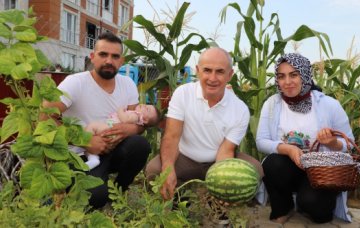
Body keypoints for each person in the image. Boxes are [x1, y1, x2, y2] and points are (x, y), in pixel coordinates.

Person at [145, 47, 263, 219]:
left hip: (217, 160)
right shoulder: (183, 94)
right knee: (155, 170)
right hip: (184, 157)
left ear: (230, 75)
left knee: (256, 170)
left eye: (220, 72)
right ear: (198, 71)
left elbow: (226, 151)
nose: (213, 78)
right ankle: (180, 204)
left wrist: (223, 184)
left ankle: (219, 209)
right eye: (207, 70)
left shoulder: (240, 109)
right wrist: (168, 169)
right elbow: (171, 136)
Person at [42, 32, 151, 208]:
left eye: (115, 56)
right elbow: (44, 117)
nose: (109, 60)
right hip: (81, 154)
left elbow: (138, 123)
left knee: (140, 145)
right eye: (103, 54)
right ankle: (97, 188)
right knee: (95, 196)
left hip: (113, 149)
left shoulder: (128, 84)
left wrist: (129, 130)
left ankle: (118, 194)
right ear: (92, 57)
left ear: (121, 61)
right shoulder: (75, 83)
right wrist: (85, 140)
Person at [256, 53, 354, 224]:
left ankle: (307, 203)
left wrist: (332, 142)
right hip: (288, 167)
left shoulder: (329, 105)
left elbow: (350, 144)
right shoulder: (272, 104)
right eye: (281, 76)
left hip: (320, 172)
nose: (287, 82)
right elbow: (261, 141)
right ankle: (283, 208)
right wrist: (288, 149)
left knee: (316, 209)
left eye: (294, 75)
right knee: (272, 163)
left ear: (305, 75)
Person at [82, 104, 160, 170]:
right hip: (112, 130)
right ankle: (92, 156)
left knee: (92, 126)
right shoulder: (136, 115)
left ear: (145, 120)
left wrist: (120, 110)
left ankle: (93, 157)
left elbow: (125, 120)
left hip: (112, 129)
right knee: (92, 135)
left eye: (147, 109)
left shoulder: (136, 115)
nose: (143, 105)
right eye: (146, 105)